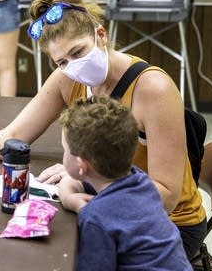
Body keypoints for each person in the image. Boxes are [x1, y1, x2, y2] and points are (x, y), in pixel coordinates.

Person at [0, 0, 207, 258]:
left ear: (100, 35)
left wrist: (80, 180)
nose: (73, 65)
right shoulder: (68, 78)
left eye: (78, 51)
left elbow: (167, 196)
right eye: (61, 61)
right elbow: (13, 134)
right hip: (108, 203)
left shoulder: (153, 89)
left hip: (170, 225)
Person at [58, 96, 192, 270]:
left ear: (81, 165)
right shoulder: (141, 182)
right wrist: (69, 198)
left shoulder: (96, 217)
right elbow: (75, 184)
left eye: (64, 149)